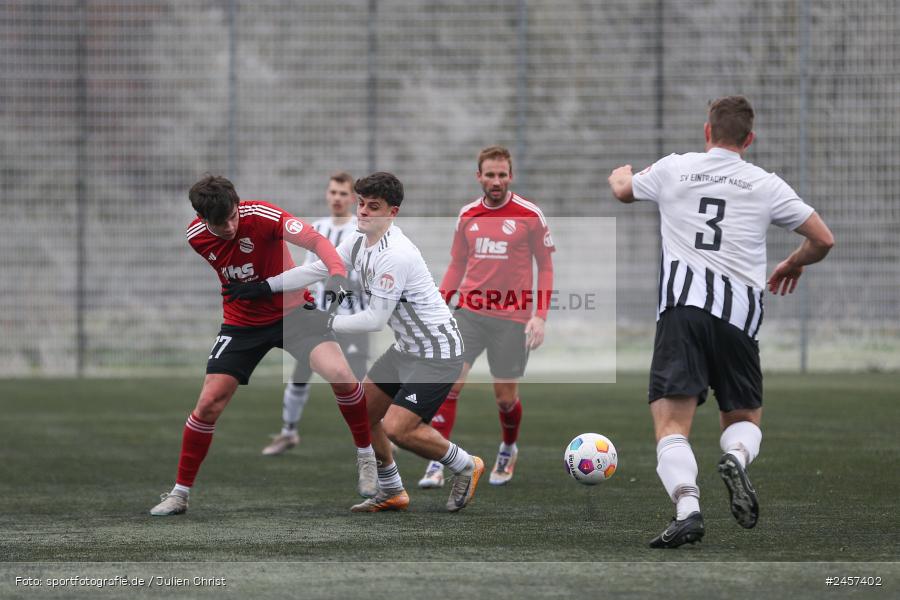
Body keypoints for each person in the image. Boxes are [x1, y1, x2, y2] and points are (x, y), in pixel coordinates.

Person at [608, 96, 835, 548]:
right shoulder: (765, 184)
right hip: (738, 317)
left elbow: (624, 190)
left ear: (707, 131)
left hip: (683, 312)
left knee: (671, 426)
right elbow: (823, 239)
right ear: (749, 140)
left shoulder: (675, 168)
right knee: (744, 416)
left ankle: (688, 509)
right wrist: (793, 261)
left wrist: (619, 175)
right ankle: (735, 456)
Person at [228, 172, 485, 513]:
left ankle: (466, 464)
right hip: (407, 348)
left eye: (372, 207)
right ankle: (392, 490)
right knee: (363, 414)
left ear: (392, 213)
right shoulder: (358, 239)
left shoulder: (396, 255)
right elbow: (318, 268)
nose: (362, 212)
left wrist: (327, 320)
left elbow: (375, 320)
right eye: (361, 204)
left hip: (436, 353)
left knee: (398, 428)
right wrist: (266, 286)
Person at [149, 175, 376, 517]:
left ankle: (366, 457)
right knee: (209, 403)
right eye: (218, 222)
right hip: (242, 324)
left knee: (342, 375)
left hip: (295, 315)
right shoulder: (196, 238)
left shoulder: (262, 215)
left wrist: (336, 270)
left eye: (232, 216)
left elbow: (315, 240)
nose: (228, 226)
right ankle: (180, 493)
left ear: (238, 205)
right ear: (201, 218)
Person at [419, 145, 555, 488]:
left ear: (510, 176)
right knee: (450, 386)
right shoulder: (467, 215)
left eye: (502, 174)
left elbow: (546, 266)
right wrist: (439, 304)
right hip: (469, 314)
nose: (496, 181)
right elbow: (457, 265)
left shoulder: (529, 214)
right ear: (478, 176)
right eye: (490, 175)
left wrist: (539, 316)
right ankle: (438, 460)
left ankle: (508, 448)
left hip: (511, 319)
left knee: (505, 399)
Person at [261, 172, 371, 457]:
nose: (337, 198)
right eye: (333, 192)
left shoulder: (360, 231)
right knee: (299, 375)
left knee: (358, 381)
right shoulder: (318, 229)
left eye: (343, 193)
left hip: (351, 320)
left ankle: (376, 437)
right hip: (316, 319)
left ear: (352, 198)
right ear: (327, 194)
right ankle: (288, 432)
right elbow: (308, 271)